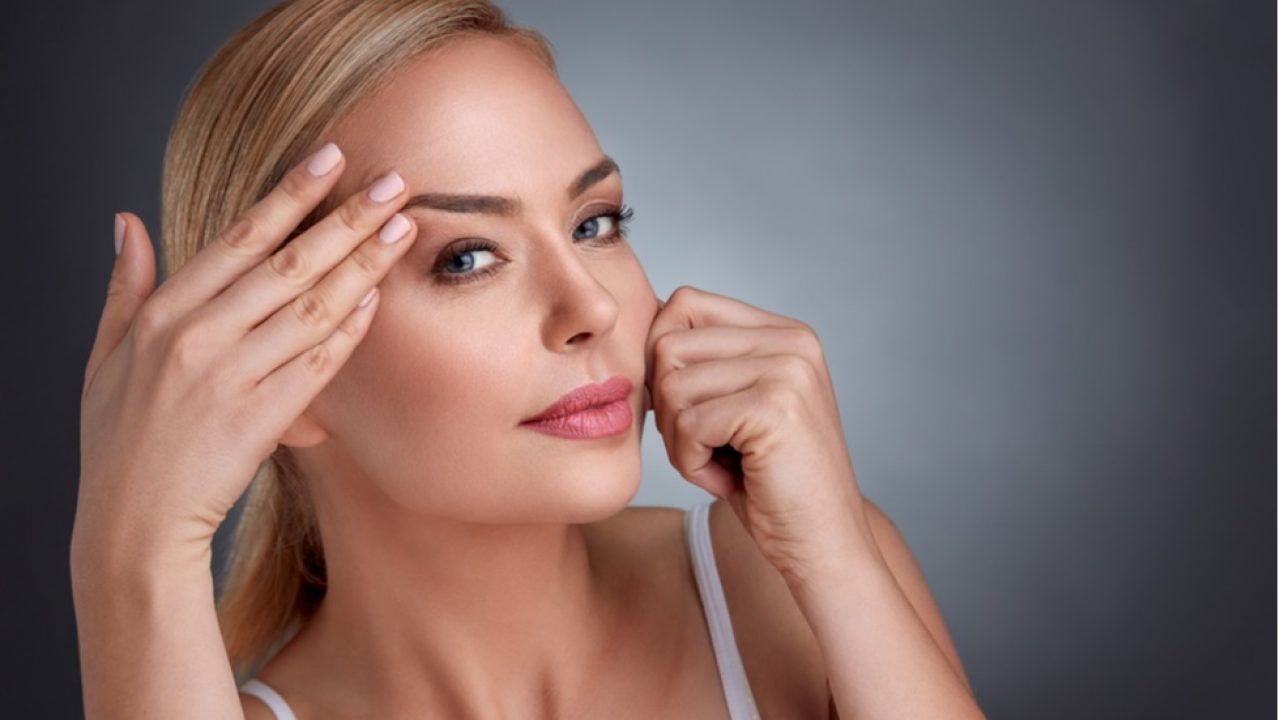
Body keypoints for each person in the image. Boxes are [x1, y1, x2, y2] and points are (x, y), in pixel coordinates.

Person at [71, 0, 984, 717]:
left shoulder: (790, 583)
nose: (592, 308)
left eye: (595, 224)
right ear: (281, 374)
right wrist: (133, 555)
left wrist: (838, 566)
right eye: (467, 259)